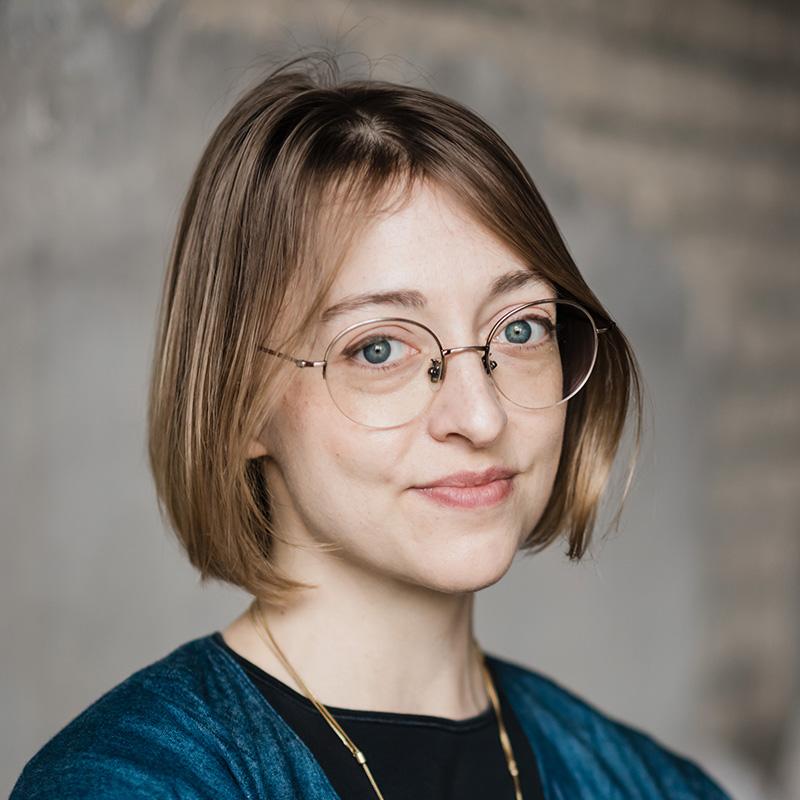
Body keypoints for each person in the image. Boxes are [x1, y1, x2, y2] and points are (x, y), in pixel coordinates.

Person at [11, 52, 732, 799]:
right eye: (379, 348)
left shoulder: (653, 786)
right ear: (241, 403)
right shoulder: (127, 784)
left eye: (520, 331)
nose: (481, 416)